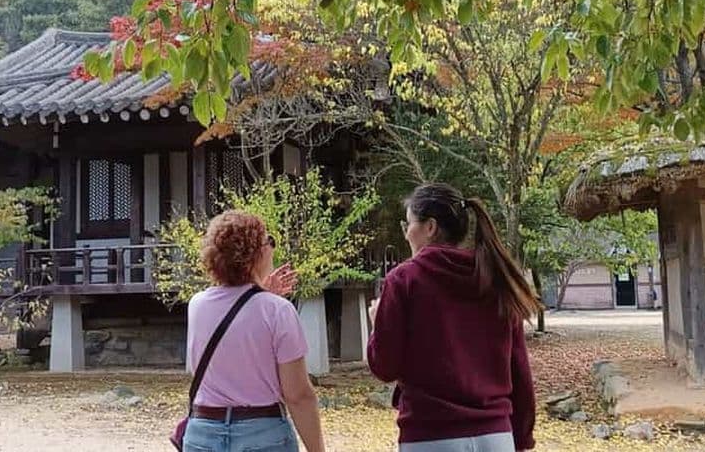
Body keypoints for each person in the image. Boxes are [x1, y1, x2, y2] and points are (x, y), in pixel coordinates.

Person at [367, 184, 542, 452]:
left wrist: (376, 324)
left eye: (408, 224)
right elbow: (519, 370)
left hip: (430, 434)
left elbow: (384, 367)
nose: (406, 234)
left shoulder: (404, 280)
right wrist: (521, 438)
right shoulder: (496, 281)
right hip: (496, 435)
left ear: (430, 227)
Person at [183, 210, 325, 452]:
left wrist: (261, 293)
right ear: (256, 253)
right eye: (269, 241)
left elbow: (198, 366)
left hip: (203, 433)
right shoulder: (278, 310)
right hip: (263, 434)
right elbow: (297, 394)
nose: (272, 248)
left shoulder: (197, 305)